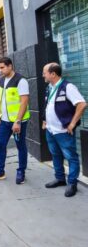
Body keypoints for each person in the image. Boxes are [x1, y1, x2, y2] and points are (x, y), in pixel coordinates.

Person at [42, 63, 87, 197]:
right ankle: (60, 178)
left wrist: (72, 124)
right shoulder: (49, 87)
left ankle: (72, 183)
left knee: (71, 157)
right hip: (50, 130)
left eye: (44, 72)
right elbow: (48, 105)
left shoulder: (68, 87)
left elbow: (82, 104)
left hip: (63, 131)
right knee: (55, 155)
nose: (43, 75)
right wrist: (45, 120)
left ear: (53, 74)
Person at [0, 57, 30, 184]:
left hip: (18, 122)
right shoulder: (1, 81)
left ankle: (21, 171)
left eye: (2, 67)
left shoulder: (20, 81)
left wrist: (17, 121)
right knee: (0, 144)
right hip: (4, 121)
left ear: (10, 66)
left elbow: (24, 101)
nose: (0, 70)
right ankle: (0, 171)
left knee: (20, 146)